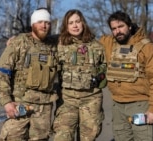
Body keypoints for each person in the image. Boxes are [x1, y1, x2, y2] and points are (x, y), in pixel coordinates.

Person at [99, 11, 153, 141]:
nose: (117, 31)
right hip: (117, 106)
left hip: (141, 106)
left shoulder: (148, 48)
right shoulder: (109, 44)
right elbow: (87, 41)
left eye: (121, 27)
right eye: (114, 29)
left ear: (129, 26)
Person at [0, 8, 59, 141]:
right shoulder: (19, 42)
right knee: (12, 137)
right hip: (19, 104)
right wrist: (6, 102)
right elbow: (2, 72)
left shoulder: (54, 44)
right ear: (33, 24)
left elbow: (72, 35)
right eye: (40, 21)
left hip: (43, 107)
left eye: (47, 22)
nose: (44, 25)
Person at [52, 9, 107, 141]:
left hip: (91, 98)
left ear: (83, 23)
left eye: (77, 21)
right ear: (66, 26)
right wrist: (15, 40)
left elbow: (105, 67)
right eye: (71, 23)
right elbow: (38, 43)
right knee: (63, 136)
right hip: (67, 99)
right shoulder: (58, 45)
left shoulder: (96, 46)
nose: (75, 25)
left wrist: (99, 76)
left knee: (89, 137)